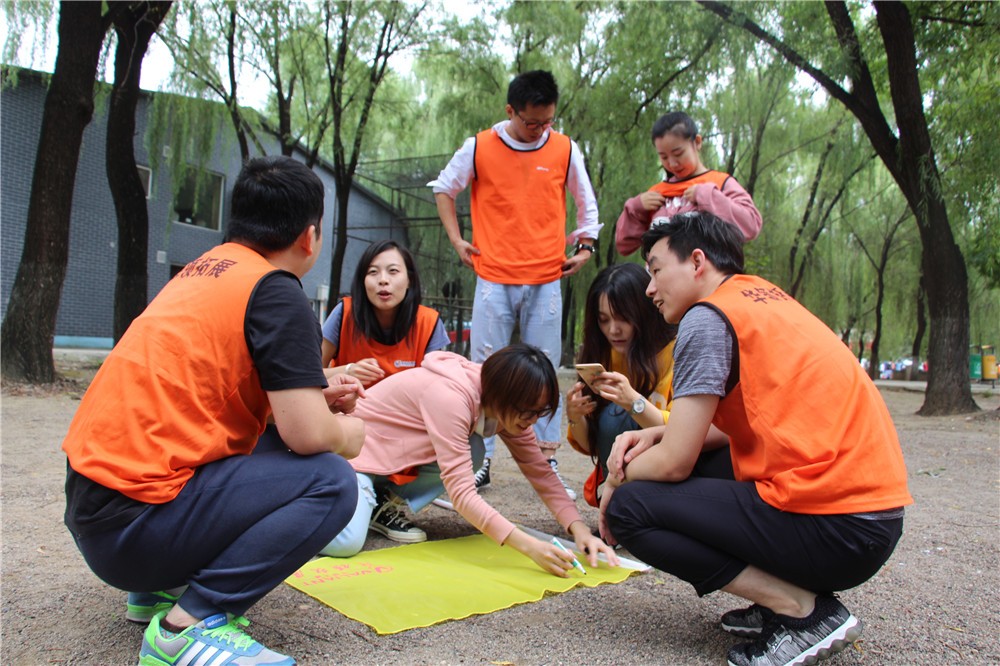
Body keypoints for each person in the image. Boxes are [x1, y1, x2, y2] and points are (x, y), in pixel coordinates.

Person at [62, 156, 367, 666]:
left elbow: (213, 388)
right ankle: (188, 626)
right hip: (134, 527)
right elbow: (308, 435)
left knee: (264, 444)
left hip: (96, 510)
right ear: (310, 237)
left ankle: (160, 588)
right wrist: (346, 431)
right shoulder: (277, 290)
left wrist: (315, 390)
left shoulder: (204, 270)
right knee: (332, 480)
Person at [601, 212, 912, 666]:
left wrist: (615, 480)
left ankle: (801, 611)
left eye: (655, 269)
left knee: (633, 509)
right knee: (706, 466)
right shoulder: (763, 299)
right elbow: (736, 425)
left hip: (837, 526)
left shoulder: (706, 320)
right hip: (869, 521)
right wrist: (662, 433)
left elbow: (674, 464)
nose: (649, 288)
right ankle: (780, 598)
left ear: (697, 262)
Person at [429, 69, 602, 498]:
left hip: (545, 277)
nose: (541, 129)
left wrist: (587, 247)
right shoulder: (479, 146)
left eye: (548, 121)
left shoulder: (563, 149)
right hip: (493, 276)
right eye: (532, 122)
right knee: (486, 367)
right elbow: (444, 189)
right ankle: (481, 456)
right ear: (510, 111)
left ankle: (547, 458)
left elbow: (587, 205)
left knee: (543, 368)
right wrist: (456, 239)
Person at [319, 343, 620, 577]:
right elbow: (462, 493)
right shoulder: (451, 397)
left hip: (390, 462)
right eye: (527, 412)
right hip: (355, 459)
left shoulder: (504, 407)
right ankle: (314, 497)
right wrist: (529, 547)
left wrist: (579, 530)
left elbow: (541, 472)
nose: (531, 421)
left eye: (539, 412)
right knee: (346, 543)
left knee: (474, 449)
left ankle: (380, 502)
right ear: (503, 395)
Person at [564, 263, 676, 508]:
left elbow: (684, 432)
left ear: (644, 313)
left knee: (617, 412)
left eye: (624, 319)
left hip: (673, 464)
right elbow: (591, 444)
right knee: (613, 414)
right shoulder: (602, 355)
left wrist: (632, 402)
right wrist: (576, 417)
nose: (613, 330)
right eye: (604, 320)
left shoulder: (677, 350)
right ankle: (617, 506)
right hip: (619, 471)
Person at [615, 111, 762, 256]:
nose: (672, 163)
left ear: (697, 142)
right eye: (664, 157)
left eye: (678, 153)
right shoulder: (657, 193)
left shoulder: (721, 183)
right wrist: (636, 207)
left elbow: (751, 225)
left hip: (706, 276)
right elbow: (623, 245)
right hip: (661, 277)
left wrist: (707, 197)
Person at [322, 239, 450, 386]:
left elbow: (437, 385)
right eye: (373, 272)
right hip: (348, 408)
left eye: (393, 271)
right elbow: (310, 372)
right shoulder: (344, 313)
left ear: (410, 280)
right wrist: (347, 370)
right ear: (362, 281)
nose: (383, 280)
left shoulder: (429, 322)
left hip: (406, 409)